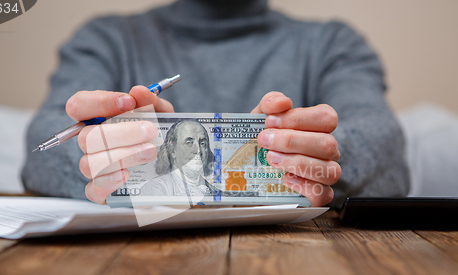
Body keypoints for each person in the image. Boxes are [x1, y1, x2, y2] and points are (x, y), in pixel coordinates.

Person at [22, 0, 410, 207]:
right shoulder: (106, 38)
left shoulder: (331, 43)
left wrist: (296, 169)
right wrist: (119, 166)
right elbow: (43, 142)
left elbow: (385, 144)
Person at [139, 119, 217, 197]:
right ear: (172, 151)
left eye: (203, 143)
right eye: (188, 143)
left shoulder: (218, 193)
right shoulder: (155, 188)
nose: (198, 150)